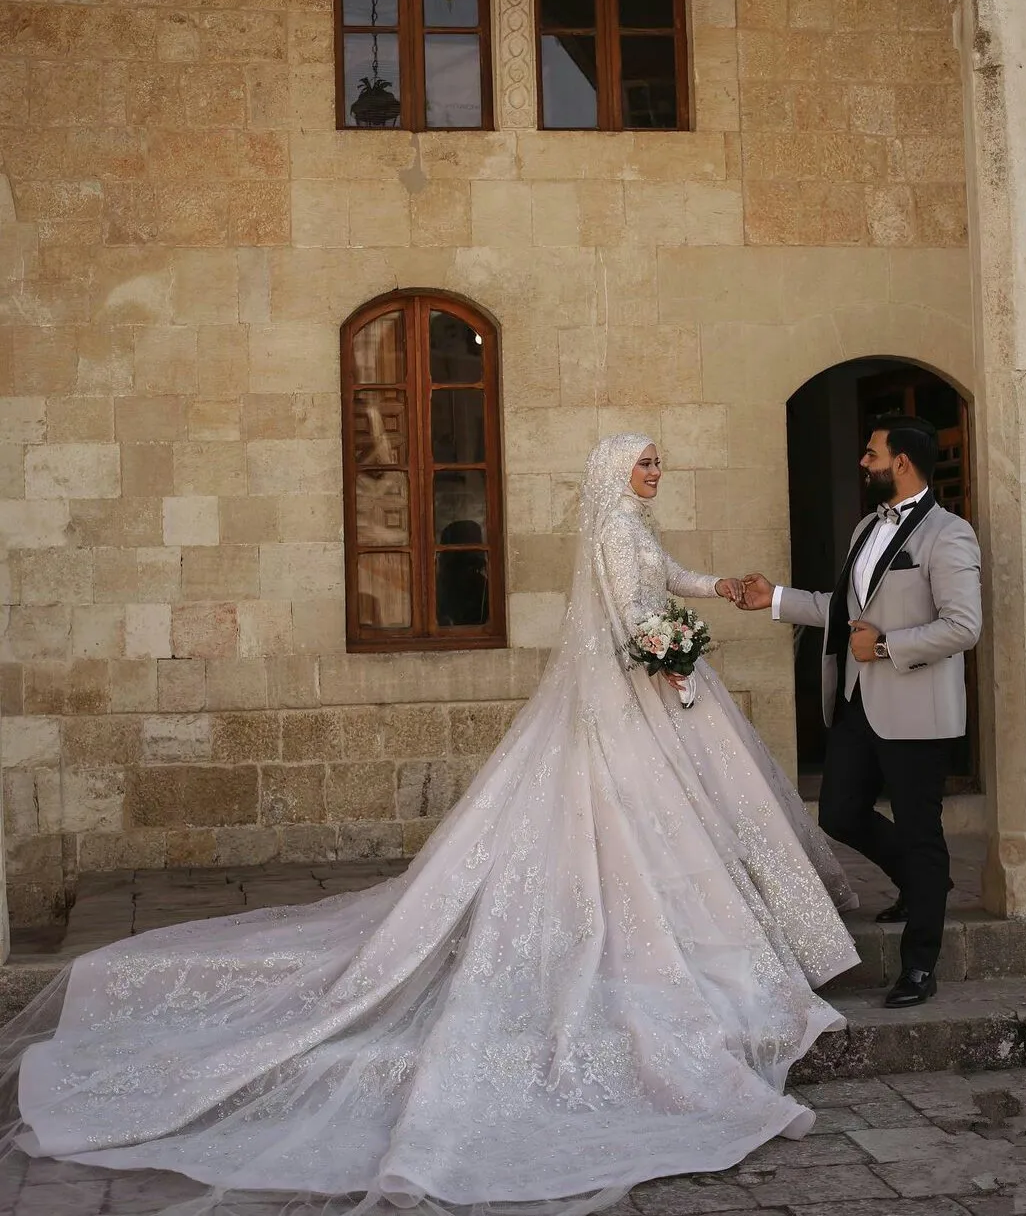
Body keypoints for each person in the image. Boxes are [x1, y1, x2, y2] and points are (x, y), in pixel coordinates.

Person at [0, 433, 858, 1216]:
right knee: (638, 825)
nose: (656, 472)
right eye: (645, 462)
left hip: (646, 687)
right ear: (612, 472)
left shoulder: (634, 525)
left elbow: (667, 577)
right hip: (631, 694)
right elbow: (627, 614)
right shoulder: (611, 532)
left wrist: (722, 589)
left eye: (661, 462)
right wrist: (670, 655)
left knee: (672, 825)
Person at [737, 415, 982, 1009]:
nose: (863, 462)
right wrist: (774, 598)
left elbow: (963, 626)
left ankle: (919, 965)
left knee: (922, 832)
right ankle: (925, 884)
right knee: (841, 813)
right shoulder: (865, 528)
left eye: (871, 453)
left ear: (901, 462)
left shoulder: (949, 534)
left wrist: (889, 646)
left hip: (916, 708)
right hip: (856, 704)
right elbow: (842, 609)